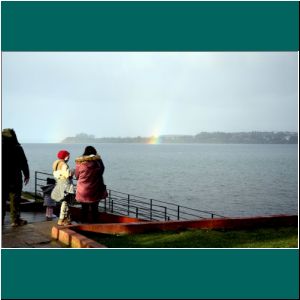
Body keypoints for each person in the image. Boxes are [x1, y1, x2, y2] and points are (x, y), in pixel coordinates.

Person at [2, 128, 30, 227]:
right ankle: (15, 220)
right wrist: (27, 175)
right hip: (15, 178)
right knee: (15, 199)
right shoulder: (17, 147)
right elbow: (24, 162)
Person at [75, 146, 106, 223]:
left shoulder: (80, 164)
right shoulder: (98, 163)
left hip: (83, 190)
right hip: (95, 189)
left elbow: (77, 176)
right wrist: (99, 159)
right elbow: (102, 171)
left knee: (84, 209)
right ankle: (95, 225)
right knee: (95, 209)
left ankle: (83, 224)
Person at [51, 150, 75, 226]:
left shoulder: (56, 164)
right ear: (66, 157)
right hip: (66, 186)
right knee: (66, 202)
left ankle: (63, 219)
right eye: (68, 156)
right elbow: (67, 174)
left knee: (64, 202)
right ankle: (62, 219)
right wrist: (73, 171)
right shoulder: (64, 165)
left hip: (60, 184)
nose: (69, 158)